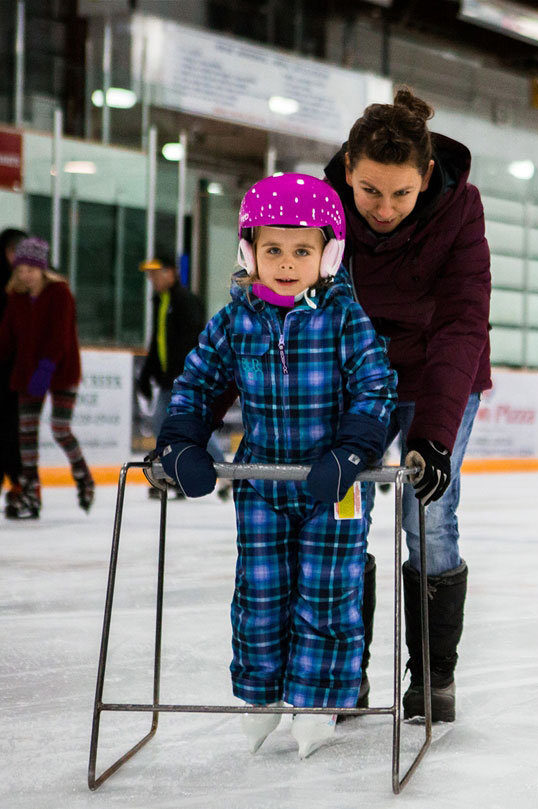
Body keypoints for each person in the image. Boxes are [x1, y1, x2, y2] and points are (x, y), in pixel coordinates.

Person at [151, 174, 396, 758]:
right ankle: (260, 695)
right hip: (261, 482)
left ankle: (317, 701)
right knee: (259, 594)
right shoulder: (235, 320)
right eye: (273, 249)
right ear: (250, 252)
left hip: (335, 484)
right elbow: (197, 383)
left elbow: (375, 389)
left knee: (328, 593)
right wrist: (181, 442)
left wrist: (352, 451)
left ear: (328, 255)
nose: (287, 263)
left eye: (303, 250)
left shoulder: (345, 318)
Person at [323, 85, 491, 723]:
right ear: (348, 170)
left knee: (430, 513)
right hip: (357, 375)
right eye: (370, 190)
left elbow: (462, 322)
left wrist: (435, 437)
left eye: (401, 192)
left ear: (426, 175)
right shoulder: (322, 207)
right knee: (344, 510)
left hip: (437, 372)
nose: (385, 208)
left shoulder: (461, 210)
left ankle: (433, 677)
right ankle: (346, 669)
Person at [0, 236, 94, 518]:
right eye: (20, 269)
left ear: (42, 269)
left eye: (30, 269)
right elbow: (6, 339)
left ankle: (83, 475)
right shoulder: (16, 297)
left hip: (61, 371)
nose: (25, 274)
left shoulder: (60, 294)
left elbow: (60, 337)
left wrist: (46, 369)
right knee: (25, 433)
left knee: (60, 429)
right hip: (27, 372)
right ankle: (30, 490)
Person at [135, 256, 230, 500]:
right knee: (170, 425)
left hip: (185, 379)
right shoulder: (161, 301)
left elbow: (194, 341)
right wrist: (147, 373)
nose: (152, 279)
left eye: (156, 273)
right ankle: (176, 475)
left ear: (171, 273)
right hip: (169, 378)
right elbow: (158, 341)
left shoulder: (185, 301)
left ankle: (220, 472)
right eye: (150, 275)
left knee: (185, 424)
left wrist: (186, 374)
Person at [0, 228, 27, 502]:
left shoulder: (35, 281)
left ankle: (19, 481)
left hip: (25, 367)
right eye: (11, 251)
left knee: (17, 427)